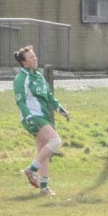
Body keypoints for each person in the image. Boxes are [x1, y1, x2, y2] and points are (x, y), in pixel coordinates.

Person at [13, 45, 70, 196]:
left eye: (35, 56)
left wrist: (60, 108)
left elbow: (49, 96)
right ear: (24, 62)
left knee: (43, 151)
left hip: (43, 116)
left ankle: (44, 188)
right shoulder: (21, 78)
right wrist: (28, 116)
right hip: (32, 117)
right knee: (55, 141)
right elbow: (20, 101)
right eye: (31, 57)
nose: (35, 59)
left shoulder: (38, 76)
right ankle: (31, 169)